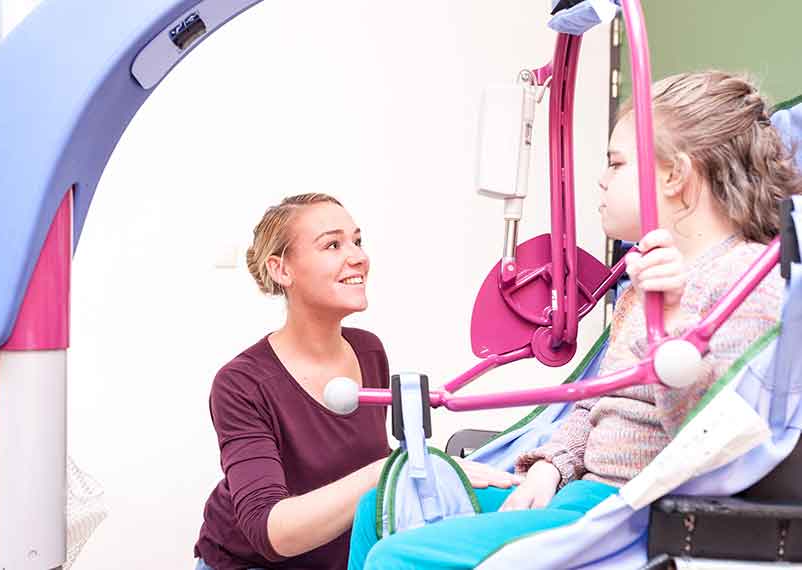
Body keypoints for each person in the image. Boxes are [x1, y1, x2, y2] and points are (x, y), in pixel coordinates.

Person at [348, 70, 802, 569]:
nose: (602, 179)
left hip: (629, 514)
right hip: (576, 492)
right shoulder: (642, 280)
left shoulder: (751, 280)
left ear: (675, 175)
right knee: (380, 506)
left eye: (617, 162)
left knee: (401, 558)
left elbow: (710, 441)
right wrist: (549, 466)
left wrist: (671, 326)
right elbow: (593, 405)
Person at [194, 193, 515, 570]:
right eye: (332, 244)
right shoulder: (242, 384)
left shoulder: (369, 351)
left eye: (357, 241)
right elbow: (272, 533)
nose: (358, 257)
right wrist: (389, 469)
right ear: (281, 270)